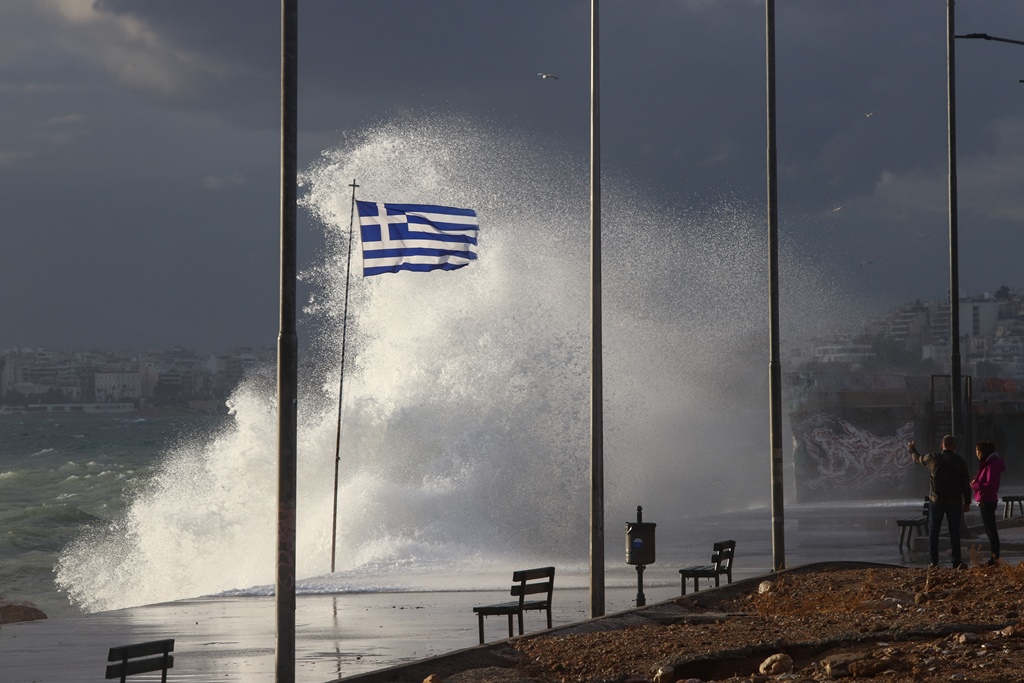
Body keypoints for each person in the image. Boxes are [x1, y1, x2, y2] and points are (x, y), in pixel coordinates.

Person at [908, 435, 971, 568]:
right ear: (954, 446)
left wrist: (912, 449)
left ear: (942, 445)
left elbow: (917, 459)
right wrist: (967, 502)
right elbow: (966, 484)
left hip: (936, 500)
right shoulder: (960, 461)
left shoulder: (932, 458)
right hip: (954, 502)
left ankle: (933, 561)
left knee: (934, 531)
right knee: (954, 531)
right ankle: (956, 561)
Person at [972, 440, 1005, 566]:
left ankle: (994, 558)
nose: (976, 454)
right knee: (991, 530)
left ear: (982, 452)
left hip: (987, 499)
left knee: (991, 531)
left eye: (977, 451)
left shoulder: (990, 465)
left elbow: (990, 485)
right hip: (988, 499)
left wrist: (975, 484)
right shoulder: (990, 464)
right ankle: (994, 557)